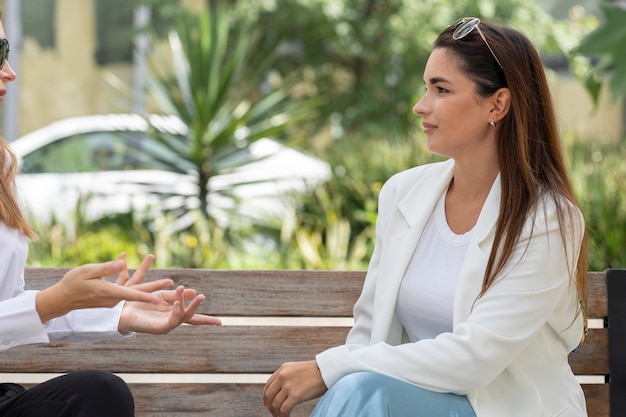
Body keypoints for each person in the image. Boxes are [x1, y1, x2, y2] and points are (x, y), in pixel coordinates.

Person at [263, 17, 588, 417]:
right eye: (426, 87)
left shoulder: (548, 220)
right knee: (360, 390)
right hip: (410, 404)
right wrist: (343, 375)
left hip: (504, 409)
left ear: (497, 104)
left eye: (441, 89)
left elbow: (474, 358)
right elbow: (369, 334)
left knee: (363, 389)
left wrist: (330, 368)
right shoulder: (404, 194)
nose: (421, 105)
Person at [0, 15, 221, 417]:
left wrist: (114, 311)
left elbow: (8, 308)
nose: (10, 73)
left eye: (6, 53)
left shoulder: (2, 170)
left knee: (101, 393)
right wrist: (54, 301)